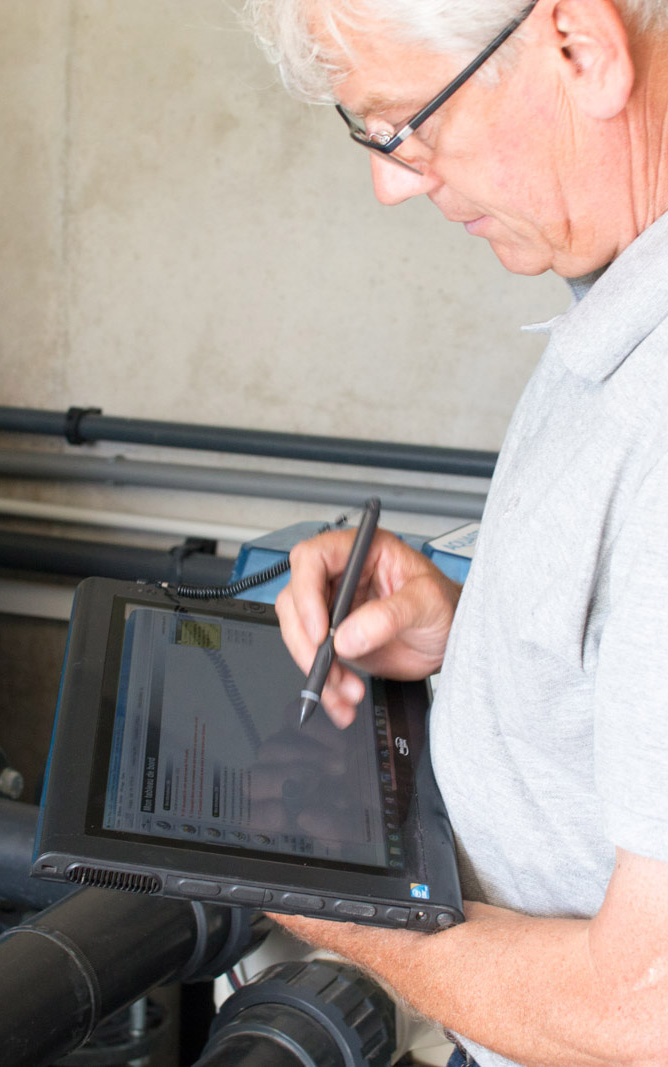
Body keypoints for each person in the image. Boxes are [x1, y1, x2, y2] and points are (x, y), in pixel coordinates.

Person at [243, 0, 668, 1065]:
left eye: (404, 125)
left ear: (583, 48)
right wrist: (473, 643)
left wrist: (330, 902)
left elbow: (644, 1007)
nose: (395, 179)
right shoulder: (625, 295)